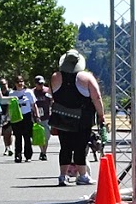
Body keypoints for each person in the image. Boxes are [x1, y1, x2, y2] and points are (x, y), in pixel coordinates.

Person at [49, 50, 105, 186]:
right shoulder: (86, 78)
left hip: (62, 117)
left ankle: (62, 176)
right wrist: (101, 114)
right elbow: (96, 97)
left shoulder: (55, 77)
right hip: (82, 118)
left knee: (65, 147)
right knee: (81, 146)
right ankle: (83, 175)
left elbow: (52, 95)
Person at [11, 73, 36, 163]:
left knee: (27, 137)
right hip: (16, 117)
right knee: (18, 137)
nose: (20, 83)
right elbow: (9, 107)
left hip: (27, 116)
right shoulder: (12, 93)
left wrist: (37, 116)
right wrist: (7, 117)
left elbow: (33, 105)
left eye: (21, 81)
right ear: (15, 83)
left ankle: (28, 155)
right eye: (18, 82)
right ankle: (18, 155)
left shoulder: (28, 92)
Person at [32, 74, 52, 160]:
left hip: (46, 116)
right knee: (40, 135)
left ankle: (44, 151)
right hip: (36, 117)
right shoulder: (32, 92)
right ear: (36, 84)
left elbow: (52, 101)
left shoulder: (47, 91)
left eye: (42, 84)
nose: (41, 85)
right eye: (39, 84)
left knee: (46, 135)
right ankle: (43, 152)